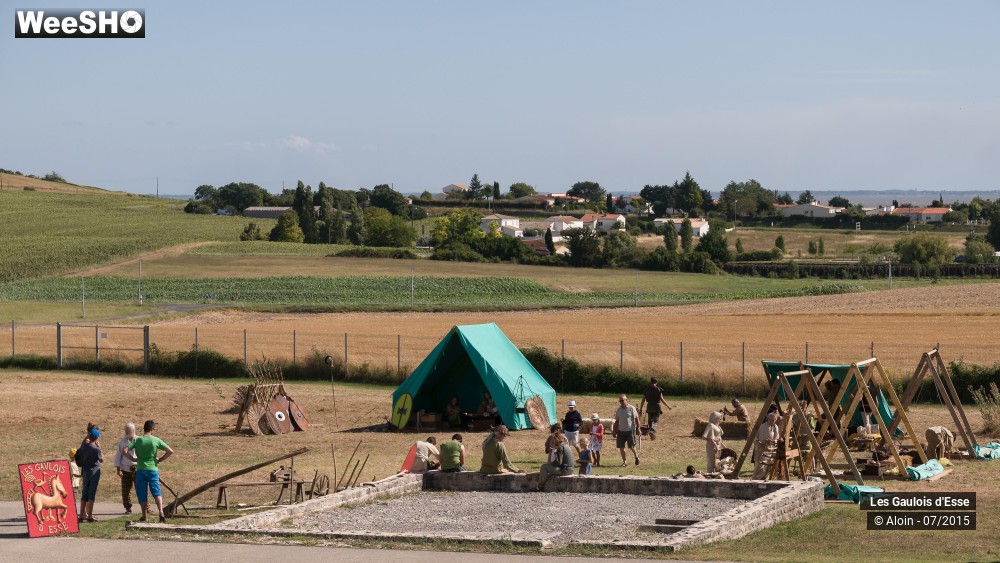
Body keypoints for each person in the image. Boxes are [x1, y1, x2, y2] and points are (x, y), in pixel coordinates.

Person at [124, 420, 174, 523]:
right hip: (152, 469)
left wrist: (133, 459)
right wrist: (160, 459)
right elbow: (170, 451)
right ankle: (161, 513)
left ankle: (144, 516)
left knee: (142, 493)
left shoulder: (137, 440)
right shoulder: (155, 440)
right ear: (152, 429)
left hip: (141, 469)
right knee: (156, 492)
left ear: (144, 428)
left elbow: (124, 450)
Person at [74, 427, 102, 522]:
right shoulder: (96, 449)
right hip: (94, 472)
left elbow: (82, 446)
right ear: (97, 438)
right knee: (91, 494)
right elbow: (101, 459)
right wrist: (99, 447)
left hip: (85, 472)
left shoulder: (85, 446)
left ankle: (81, 516)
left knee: (84, 493)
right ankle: (89, 515)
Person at [114, 422, 138, 514]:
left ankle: (146, 507)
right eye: (126, 430)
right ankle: (128, 507)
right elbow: (118, 456)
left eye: (129, 430)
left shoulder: (139, 440)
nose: (127, 432)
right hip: (125, 469)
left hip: (137, 469)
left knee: (140, 489)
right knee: (125, 490)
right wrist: (118, 469)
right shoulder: (123, 442)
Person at [613, 394, 641, 467]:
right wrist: (614, 430)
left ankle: (636, 456)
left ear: (626, 400)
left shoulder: (631, 408)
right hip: (621, 431)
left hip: (630, 430)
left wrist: (638, 428)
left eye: (622, 400)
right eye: (620, 401)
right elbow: (616, 421)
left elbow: (636, 419)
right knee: (621, 447)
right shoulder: (618, 410)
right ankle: (624, 462)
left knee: (631, 446)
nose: (621, 402)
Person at [752, 411, 780, 480]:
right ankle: (755, 482)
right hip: (762, 450)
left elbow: (776, 438)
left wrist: (774, 442)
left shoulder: (776, 427)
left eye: (773, 420)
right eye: (770, 419)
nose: (771, 421)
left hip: (771, 450)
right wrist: (759, 443)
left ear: (775, 420)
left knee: (768, 469)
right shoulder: (763, 426)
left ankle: (765, 481)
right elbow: (755, 437)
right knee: (760, 468)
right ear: (768, 419)